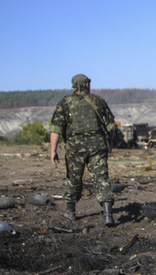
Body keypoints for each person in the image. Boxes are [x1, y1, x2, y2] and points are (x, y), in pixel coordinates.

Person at [50, 74, 117, 226]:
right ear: (87, 85)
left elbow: (56, 129)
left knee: (73, 179)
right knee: (102, 179)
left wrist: (53, 151)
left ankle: (70, 212)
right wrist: (110, 143)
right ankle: (107, 215)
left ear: (74, 87)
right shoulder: (98, 101)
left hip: (75, 147)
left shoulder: (65, 103)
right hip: (97, 145)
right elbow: (111, 126)